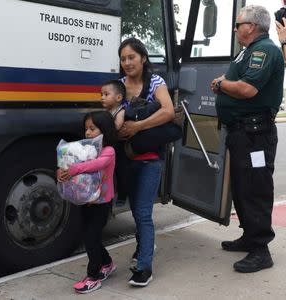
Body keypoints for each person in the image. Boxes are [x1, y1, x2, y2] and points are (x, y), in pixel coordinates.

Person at [210, 5, 284, 273]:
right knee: (242, 188)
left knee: (255, 189)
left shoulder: (264, 50)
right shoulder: (248, 51)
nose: (235, 28)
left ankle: (261, 250)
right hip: (243, 133)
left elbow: (247, 89)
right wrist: (225, 83)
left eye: (238, 24)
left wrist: (220, 84)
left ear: (252, 26)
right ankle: (249, 237)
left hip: (255, 135)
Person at [117, 37, 175, 287]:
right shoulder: (118, 85)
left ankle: (144, 268)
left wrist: (137, 126)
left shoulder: (155, 82)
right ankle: (143, 249)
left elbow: (168, 111)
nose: (127, 62)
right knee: (136, 209)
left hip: (150, 158)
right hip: (126, 158)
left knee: (142, 212)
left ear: (143, 58)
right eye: (123, 58)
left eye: (131, 57)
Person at [56, 111, 118, 294]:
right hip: (86, 200)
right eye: (86, 129)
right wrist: (61, 171)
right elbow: (70, 165)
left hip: (101, 202)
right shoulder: (85, 150)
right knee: (90, 236)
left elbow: (96, 165)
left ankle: (94, 276)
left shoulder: (108, 151)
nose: (88, 133)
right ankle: (107, 263)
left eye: (93, 128)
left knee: (91, 238)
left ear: (105, 130)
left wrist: (74, 169)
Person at [100, 79, 129, 206]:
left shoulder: (120, 111)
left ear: (118, 97)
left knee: (120, 171)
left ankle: (122, 195)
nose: (102, 98)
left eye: (106, 95)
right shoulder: (107, 112)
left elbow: (117, 126)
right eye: (101, 95)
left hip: (119, 148)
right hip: (109, 147)